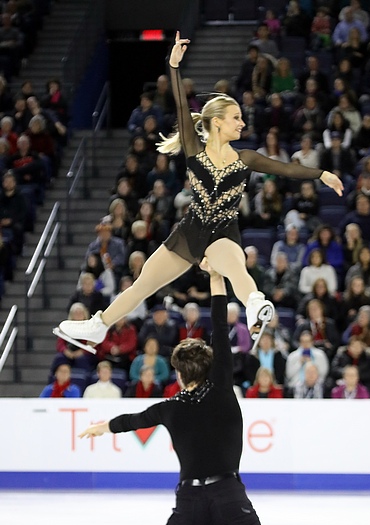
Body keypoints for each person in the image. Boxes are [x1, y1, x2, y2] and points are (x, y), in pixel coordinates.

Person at [57, 31, 343, 350]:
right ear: (217, 122)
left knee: (236, 268)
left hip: (223, 232)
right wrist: (174, 66)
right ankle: (99, 326)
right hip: (190, 232)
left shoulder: (245, 157)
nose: (241, 123)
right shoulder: (195, 149)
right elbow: (181, 104)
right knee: (142, 285)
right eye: (235, 118)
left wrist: (322, 173)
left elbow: (287, 168)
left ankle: (255, 303)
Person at [79, 260, 280, 525]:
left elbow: (134, 420)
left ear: (179, 375)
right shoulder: (222, 389)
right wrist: (216, 279)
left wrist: (102, 427)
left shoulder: (170, 408)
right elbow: (218, 324)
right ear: (211, 365)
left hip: (190, 504)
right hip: (231, 498)